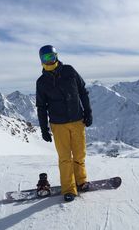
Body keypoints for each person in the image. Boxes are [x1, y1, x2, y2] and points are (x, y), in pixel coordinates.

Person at [36, 45, 93, 202]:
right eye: (45, 58)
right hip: (58, 124)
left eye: (51, 56)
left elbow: (82, 91)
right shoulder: (41, 82)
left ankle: (81, 181)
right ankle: (69, 188)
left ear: (56, 56)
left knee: (80, 154)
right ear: (41, 60)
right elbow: (41, 107)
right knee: (65, 158)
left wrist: (88, 111)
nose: (49, 60)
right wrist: (44, 129)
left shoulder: (69, 71)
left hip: (77, 120)